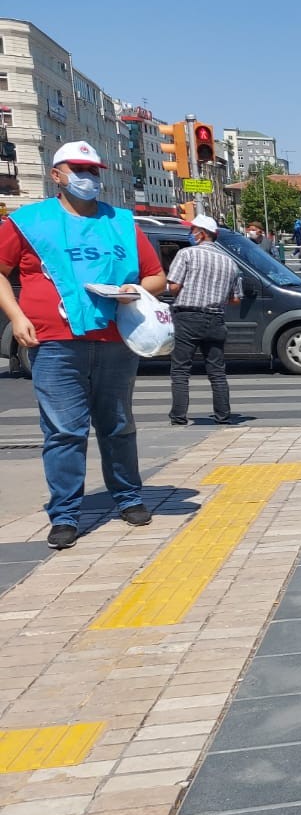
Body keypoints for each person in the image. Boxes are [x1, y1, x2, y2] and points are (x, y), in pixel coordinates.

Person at [0, 141, 168, 549]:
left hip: (115, 340)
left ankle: (128, 499)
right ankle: (65, 516)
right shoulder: (27, 221)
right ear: (56, 174)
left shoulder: (123, 223)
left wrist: (133, 289)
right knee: (64, 431)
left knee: (118, 426)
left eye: (93, 170)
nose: (88, 177)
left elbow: (156, 278)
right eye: (78, 169)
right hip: (54, 342)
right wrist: (17, 318)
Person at [166, 213, 242, 426]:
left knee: (181, 369)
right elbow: (235, 299)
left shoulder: (186, 254)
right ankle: (223, 415)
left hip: (187, 316)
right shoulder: (230, 262)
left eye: (192, 230)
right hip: (216, 319)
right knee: (217, 371)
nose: (191, 234)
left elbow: (173, 287)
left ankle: (179, 416)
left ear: (201, 233)